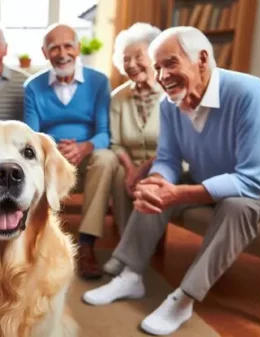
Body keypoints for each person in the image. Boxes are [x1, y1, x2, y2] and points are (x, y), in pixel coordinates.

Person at [82, 26, 260, 336]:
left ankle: (184, 298)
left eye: (170, 63)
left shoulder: (251, 93)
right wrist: (157, 181)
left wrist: (178, 193)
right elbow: (168, 159)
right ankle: (131, 275)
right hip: (210, 176)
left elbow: (252, 180)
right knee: (156, 185)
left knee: (236, 206)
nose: (162, 75)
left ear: (202, 59)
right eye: (158, 67)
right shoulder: (169, 104)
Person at [24, 23, 115, 280]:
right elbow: (31, 136)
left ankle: (86, 245)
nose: (62, 53)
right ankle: (37, 247)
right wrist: (54, 151)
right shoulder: (33, 87)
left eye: (68, 46)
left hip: (86, 159)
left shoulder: (99, 82)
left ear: (78, 48)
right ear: (45, 52)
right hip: (50, 159)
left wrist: (84, 147)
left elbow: (104, 133)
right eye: (54, 48)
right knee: (29, 164)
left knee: (106, 159)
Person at [105, 23, 164, 275]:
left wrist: (141, 170)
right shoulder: (118, 97)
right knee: (118, 174)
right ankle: (125, 249)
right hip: (130, 163)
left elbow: (175, 148)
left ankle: (132, 254)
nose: (131, 64)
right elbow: (115, 142)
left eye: (138, 56)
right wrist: (130, 169)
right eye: (125, 59)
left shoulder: (171, 94)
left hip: (164, 164)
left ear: (154, 56)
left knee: (155, 179)